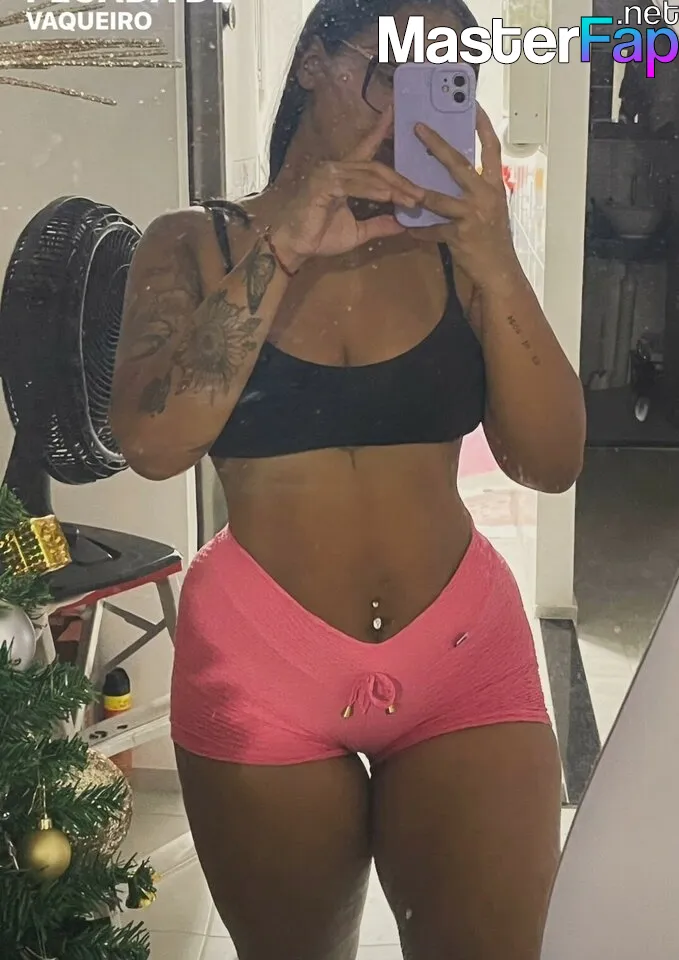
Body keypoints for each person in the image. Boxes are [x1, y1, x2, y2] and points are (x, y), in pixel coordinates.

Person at [110, 1, 586, 957]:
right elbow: (155, 444)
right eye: (392, 69)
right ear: (311, 65)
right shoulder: (191, 242)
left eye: (447, 79)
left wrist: (494, 258)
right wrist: (284, 245)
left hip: (460, 652)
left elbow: (550, 463)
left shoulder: (455, 252)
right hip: (262, 659)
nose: (414, 104)